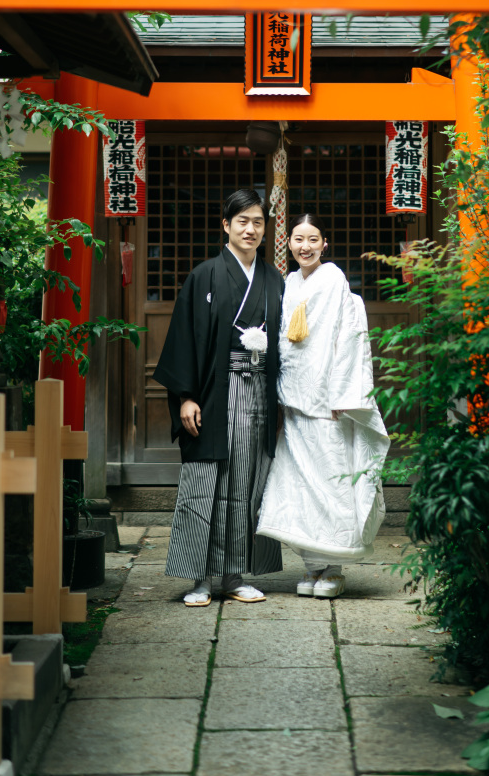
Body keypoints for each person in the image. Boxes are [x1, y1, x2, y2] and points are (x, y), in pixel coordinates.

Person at [154, 188, 285, 607]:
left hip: (259, 392)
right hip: (216, 391)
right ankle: (199, 578)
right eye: (242, 221)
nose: (250, 229)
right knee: (206, 479)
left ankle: (233, 574)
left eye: (258, 222)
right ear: (225, 226)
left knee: (247, 482)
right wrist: (185, 397)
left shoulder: (272, 279)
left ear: (265, 229)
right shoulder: (205, 275)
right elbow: (185, 340)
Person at [256, 214, 390, 599]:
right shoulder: (289, 283)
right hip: (294, 401)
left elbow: (346, 340)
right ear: (289, 243)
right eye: (298, 239)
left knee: (331, 479)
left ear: (324, 243)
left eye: (312, 239)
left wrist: (343, 396)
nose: (305, 246)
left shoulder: (334, 280)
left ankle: (334, 567)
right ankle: (312, 567)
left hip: (328, 399)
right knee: (299, 484)